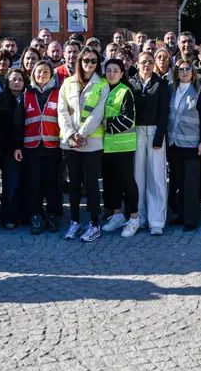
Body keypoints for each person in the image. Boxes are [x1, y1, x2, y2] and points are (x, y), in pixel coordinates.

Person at [58, 49, 108, 242]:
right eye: (86, 60)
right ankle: (75, 221)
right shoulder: (67, 83)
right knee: (74, 185)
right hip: (71, 143)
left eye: (94, 61)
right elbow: (62, 111)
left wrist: (82, 133)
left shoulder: (102, 84)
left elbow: (98, 113)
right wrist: (71, 134)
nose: (89, 63)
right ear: (80, 61)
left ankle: (95, 224)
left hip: (92, 142)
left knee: (92, 185)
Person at [167, 59, 201, 231]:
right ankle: (180, 215)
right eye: (180, 69)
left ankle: (191, 220)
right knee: (177, 182)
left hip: (192, 145)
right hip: (174, 143)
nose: (184, 72)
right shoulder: (171, 90)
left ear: (193, 72)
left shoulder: (200, 91)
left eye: (187, 69)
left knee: (191, 184)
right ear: (176, 72)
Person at [131, 51, 170, 236]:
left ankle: (157, 220)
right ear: (137, 63)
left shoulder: (161, 85)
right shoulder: (131, 83)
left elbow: (164, 113)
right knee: (138, 177)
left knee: (156, 177)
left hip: (155, 131)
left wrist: (159, 135)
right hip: (136, 132)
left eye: (150, 62)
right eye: (143, 62)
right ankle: (140, 217)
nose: (146, 65)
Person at [21, 61, 63, 235]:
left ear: (51, 75)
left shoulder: (59, 93)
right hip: (31, 147)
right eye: (39, 72)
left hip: (53, 146)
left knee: (52, 184)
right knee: (34, 184)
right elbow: (19, 123)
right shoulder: (26, 94)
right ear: (33, 74)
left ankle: (52, 215)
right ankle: (36, 216)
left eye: (46, 72)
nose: (42, 75)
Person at [99, 59, 139, 236]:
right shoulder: (103, 90)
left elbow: (128, 119)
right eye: (109, 70)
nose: (112, 74)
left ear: (122, 73)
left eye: (116, 70)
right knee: (110, 183)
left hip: (123, 146)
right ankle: (116, 215)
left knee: (127, 182)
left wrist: (106, 123)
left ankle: (134, 217)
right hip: (106, 146)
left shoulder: (125, 91)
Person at [0, 68, 26, 229]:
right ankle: (9, 217)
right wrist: (14, 147)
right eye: (13, 79)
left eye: (20, 79)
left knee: (26, 183)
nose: (17, 82)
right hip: (8, 149)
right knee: (10, 184)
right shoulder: (1, 100)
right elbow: (1, 128)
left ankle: (24, 215)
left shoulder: (29, 98)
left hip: (28, 147)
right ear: (7, 82)